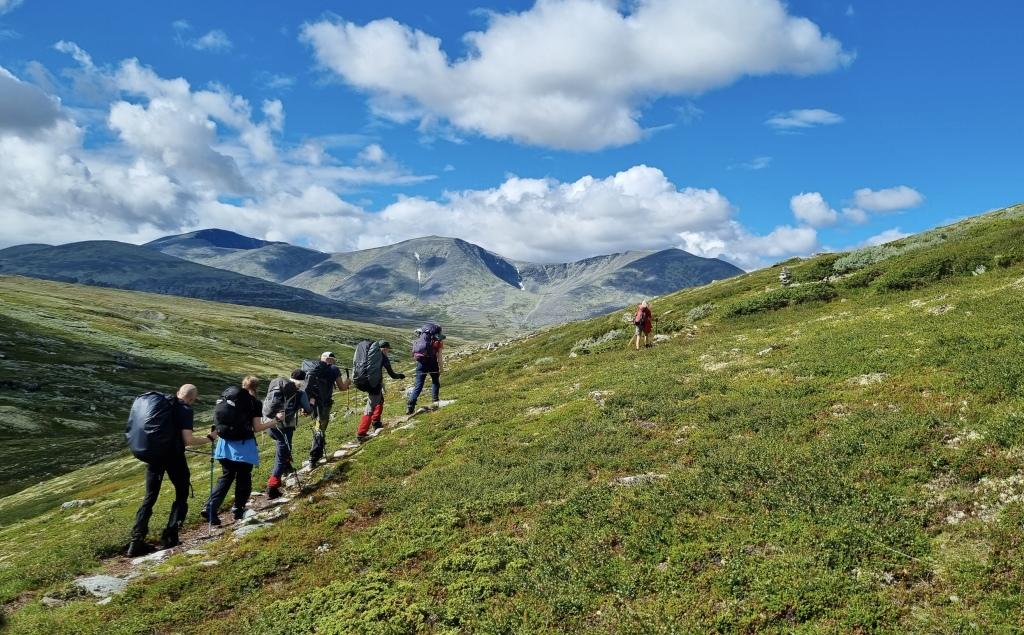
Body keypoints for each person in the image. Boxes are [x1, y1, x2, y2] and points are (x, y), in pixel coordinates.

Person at [127, 384, 215, 557]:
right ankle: (170, 535)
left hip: (154, 455)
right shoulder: (185, 409)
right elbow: (188, 440)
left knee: (150, 497)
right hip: (173, 456)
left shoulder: (165, 405)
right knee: (181, 492)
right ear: (192, 399)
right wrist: (210, 438)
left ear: (177, 393)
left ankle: (136, 541)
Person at [202, 376, 278, 525]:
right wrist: (276, 421)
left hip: (224, 445)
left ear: (242, 385)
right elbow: (257, 427)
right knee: (244, 477)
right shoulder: (254, 403)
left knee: (226, 477)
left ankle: (211, 507)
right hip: (243, 445)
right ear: (256, 387)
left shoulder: (227, 398)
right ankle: (238, 509)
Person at [264, 370, 311, 499]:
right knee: (281, 454)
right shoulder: (300, 393)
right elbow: (308, 410)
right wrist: (311, 402)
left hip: (268, 424)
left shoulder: (278, 386)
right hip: (284, 427)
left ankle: (286, 466)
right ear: (303, 381)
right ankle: (272, 487)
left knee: (283, 450)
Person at [306, 352, 352, 466]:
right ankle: (314, 457)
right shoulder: (334, 369)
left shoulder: (311, 367)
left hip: (311, 402)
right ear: (332, 360)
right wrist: (348, 381)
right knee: (320, 429)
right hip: (324, 403)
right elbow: (342, 387)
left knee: (318, 427)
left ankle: (319, 450)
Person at [356, 341, 405, 444]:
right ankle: (361, 433)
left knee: (380, 400)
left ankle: (376, 422)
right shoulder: (382, 357)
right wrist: (400, 376)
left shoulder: (369, 357)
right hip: (374, 385)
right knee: (370, 408)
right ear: (384, 348)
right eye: (388, 349)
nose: (388, 351)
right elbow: (392, 374)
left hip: (363, 382)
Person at [406, 324, 445, 415]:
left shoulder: (420, 339)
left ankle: (410, 405)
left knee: (418, 385)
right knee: (435, 381)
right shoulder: (438, 341)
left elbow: (414, 354)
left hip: (421, 364)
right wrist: (441, 368)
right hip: (432, 363)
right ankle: (435, 400)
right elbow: (439, 357)